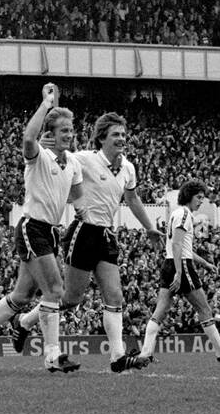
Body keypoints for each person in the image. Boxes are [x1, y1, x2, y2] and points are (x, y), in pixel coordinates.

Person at [9, 111, 162, 372]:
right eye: (115, 134)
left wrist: (149, 227)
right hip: (83, 232)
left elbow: (133, 199)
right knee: (69, 299)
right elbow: (59, 157)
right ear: (101, 138)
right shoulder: (85, 159)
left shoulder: (127, 167)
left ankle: (117, 357)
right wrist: (47, 146)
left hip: (106, 234)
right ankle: (23, 322)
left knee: (115, 296)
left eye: (123, 134)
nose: (121, 139)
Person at [0, 83, 83, 373]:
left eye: (71, 130)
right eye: (63, 131)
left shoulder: (73, 164)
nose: (68, 135)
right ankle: (53, 356)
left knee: (22, 296)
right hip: (33, 227)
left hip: (51, 231)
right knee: (55, 290)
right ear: (51, 134)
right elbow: (28, 137)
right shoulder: (38, 156)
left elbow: (78, 198)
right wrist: (45, 105)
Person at [136, 179, 220, 363]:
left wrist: (205, 264)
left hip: (170, 263)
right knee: (204, 308)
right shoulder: (185, 214)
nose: (201, 201)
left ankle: (145, 353)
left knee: (161, 309)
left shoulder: (177, 213)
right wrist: (180, 273)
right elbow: (178, 244)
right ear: (189, 196)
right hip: (181, 265)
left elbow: (182, 246)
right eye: (199, 197)